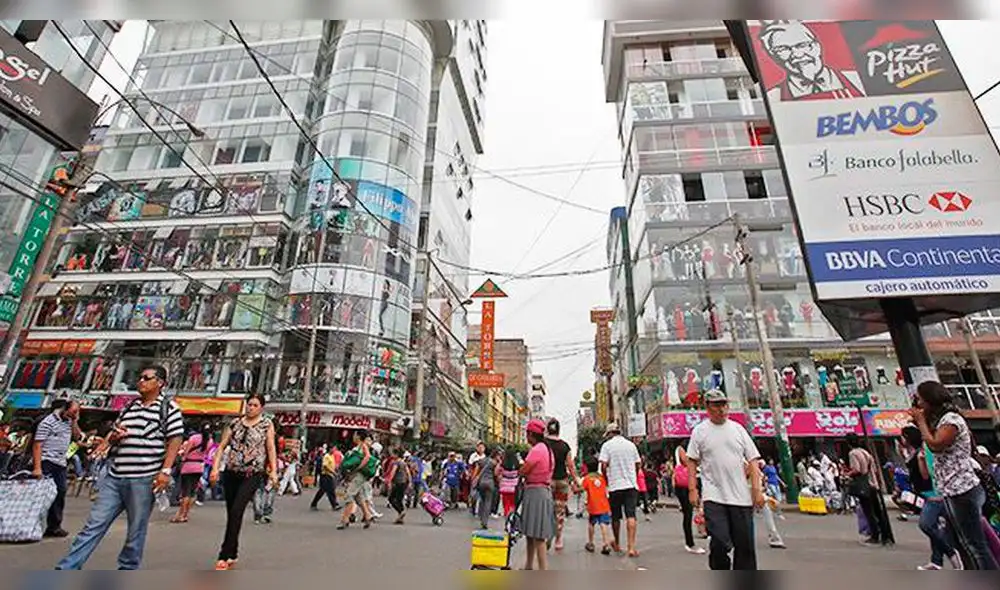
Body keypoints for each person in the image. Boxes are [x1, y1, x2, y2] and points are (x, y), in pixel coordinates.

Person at [56, 365, 183, 570]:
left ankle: (127, 569)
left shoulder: (169, 408)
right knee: (93, 525)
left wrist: (165, 471)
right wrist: (113, 438)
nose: (140, 381)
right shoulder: (129, 407)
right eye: (139, 377)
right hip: (115, 477)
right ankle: (67, 568)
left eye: (146, 378)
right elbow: (116, 432)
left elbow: (175, 439)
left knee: (135, 531)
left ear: (160, 383)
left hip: (143, 479)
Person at [910, 381, 999, 570]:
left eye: (919, 398)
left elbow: (935, 444)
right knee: (964, 543)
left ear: (930, 399)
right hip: (952, 489)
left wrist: (921, 422)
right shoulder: (942, 420)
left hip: (963, 488)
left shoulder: (951, 421)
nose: (917, 403)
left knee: (975, 545)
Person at [686, 389, 765, 571]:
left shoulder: (738, 430)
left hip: (741, 497)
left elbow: (753, 461)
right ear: (707, 407)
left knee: (745, 546)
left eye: (724, 404)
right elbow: (691, 460)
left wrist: (757, 490)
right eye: (717, 405)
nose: (722, 409)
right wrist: (693, 489)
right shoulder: (700, 431)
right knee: (720, 540)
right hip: (714, 496)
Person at [209, 393, 278, 570]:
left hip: (252, 474)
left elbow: (270, 447)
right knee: (232, 512)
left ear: (261, 407)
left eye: (255, 405)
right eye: (249, 404)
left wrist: (274, 472)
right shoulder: (235, 423)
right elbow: (222, 446)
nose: (251, 408)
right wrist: (216, 468)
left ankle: (224, 555)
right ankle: (233, 552)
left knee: (238, 509)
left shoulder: (266, 424)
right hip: (231, 472)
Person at [899, 425, 963, 571]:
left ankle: (952, 552)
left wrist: (921, 461)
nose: (901, 439)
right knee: (935, 526)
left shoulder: (924, 450)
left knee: (926, 524)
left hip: (935, 494)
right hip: (929, 494)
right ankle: (936, 561)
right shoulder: (913, 452)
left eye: (902, 436)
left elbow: (927, 475)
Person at [32, 398, 82, 538]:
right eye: (72, 411)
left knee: (60, 492)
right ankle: (34, 524)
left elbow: (77, 437)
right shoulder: (48, 422)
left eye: (76, 412)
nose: (73, 414)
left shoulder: (68, 422)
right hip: (46, 461)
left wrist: (75, 421)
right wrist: (37, 468)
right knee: (42, 495)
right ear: (64, 408)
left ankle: (54, 526)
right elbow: (37, 445)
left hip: (60, 463)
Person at [598, 422, 641, 558]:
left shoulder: (607, 446)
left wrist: (607, 479)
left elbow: (603, 465)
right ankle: (631, 547)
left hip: (615, 486)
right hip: (630, 485)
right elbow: (638, 463)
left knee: (616, 517)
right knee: (631, 515)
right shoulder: (631, 445)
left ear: (610, 434)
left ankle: (617, 543)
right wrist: (633, 475)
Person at [520, 419, 555, 570]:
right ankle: (528, 566)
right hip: (539, 492)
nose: (526, 437)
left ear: (531, 434)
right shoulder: (546, 449)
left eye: (527, 433)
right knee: (530, 533)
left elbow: (524, 470)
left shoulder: (537, 450)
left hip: (536, 493)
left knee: (538, 536)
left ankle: (543, 570)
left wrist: (520, 467)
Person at [844, 434, 890, 546]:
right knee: (877, 511)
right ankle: (885, 535)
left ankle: (874, 535)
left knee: (869, 512)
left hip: (864, 486)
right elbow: (873, 468)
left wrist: (847, 474)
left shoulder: (853, 453)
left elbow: (857, 470)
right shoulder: (866, 452)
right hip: (872, 483)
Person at [545, 418, 578, 551]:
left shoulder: (544, 444)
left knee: (547, 510)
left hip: (547, 481)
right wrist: (576, 480)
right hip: (562, 481)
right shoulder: (565, 446)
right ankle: (558, 539)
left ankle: (547, 535)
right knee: (559, 512)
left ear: (548, 429)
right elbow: (570, 465)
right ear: (559, 430)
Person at [172, 423, 212, 524]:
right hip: (199, 467)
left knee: (185, 491)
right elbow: (206, 454)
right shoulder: (210, 441)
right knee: (192, 491)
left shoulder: (194, 438)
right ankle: (185, 514)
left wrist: (183, 455)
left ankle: (180, 515)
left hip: (188, 466)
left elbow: (186, 452)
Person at [337, 429, 375, 530]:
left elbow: (367, 457)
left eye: (355, 434)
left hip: (359, 475)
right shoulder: (357, 447)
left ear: (358, 436)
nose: (353, 436)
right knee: (358, 496)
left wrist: (359, 468)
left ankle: (345, 519)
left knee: (349, 495)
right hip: (356, 475)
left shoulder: (363, 445)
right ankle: (368, 516)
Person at [673, 444, 705, 555]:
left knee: (694, 510)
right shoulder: (680, 448)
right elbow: (687, 461)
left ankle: (700, 535)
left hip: (690, 484)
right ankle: (690, 542)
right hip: (684, 486)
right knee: (688, 513)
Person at [580, 456, 613, 555]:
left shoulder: (587, 479)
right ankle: (606, 544)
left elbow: (581, 489)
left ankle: (590, 543)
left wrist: (574, 488)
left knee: (591, 524)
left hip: (593, 506)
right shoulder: (601, 478)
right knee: (604, 524)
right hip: (603, 505)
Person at [755, 458, 786, 549]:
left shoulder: (760, 471)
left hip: (758, 494)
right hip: (750, 495)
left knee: (769, 511)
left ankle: (774, 538)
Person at [470, 444, 498, 529]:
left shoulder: (480, 461)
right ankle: (485, 521)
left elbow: (475, 472)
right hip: (490, 484)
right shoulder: (494, 463)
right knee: (488, 502)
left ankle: (481, 517)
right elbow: (496, 474)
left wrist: (473, 481)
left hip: (481, 483)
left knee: (482, 499)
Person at [310, 444, 342, 511]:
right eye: (334, 448)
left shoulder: (332, 456)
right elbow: (325, 466)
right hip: (326, 475)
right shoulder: (326, 456)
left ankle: (314, 503)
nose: (335, 450)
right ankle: (334, 505)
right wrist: (333, 472)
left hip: (329, 475)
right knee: (329, 490)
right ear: (330, 449)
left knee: (325, 490)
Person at [384, 448, 411, 524]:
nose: (392, 455)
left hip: (397, 483)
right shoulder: (403, 462)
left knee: (391, 499)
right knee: (399, 499)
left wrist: (389, 481)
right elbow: (408, 473)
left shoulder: (396, 463)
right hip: (404, 483)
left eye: (393, 453)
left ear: (396, 454)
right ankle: (400, 517)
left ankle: (401, 511)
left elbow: (393, 472)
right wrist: (410, 482)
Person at [499, 448, 521, 517]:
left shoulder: (503, 463)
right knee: (513, 504)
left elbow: (496, 472)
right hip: (514, 487)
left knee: (506, 504)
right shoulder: (517, 464)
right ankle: (511, 518)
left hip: (504, 487)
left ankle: (507, 517)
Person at [468, 441, 487, 516]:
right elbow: (470, 466)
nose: (481, 449)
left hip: (482, 477)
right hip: (474, 476)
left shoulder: (485, 457)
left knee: (481, 494)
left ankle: (480, 510)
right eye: (479, 447)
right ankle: (472, 507)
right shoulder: (473, 456)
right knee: (473, 494)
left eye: (482, 447)